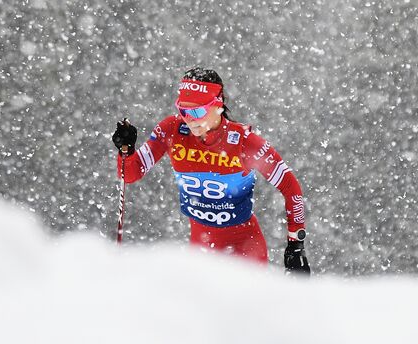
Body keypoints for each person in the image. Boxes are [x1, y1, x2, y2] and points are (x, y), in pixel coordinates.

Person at [112, 67, 310, 275]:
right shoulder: (172, 131)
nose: (190, 119)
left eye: (197, 111)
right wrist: (126, 149)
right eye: (183, 110)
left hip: (245, 252)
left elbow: (290, 187)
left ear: (218, 104)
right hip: (200, 253)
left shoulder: (244, 142)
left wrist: (296, 245)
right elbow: (131, 174)